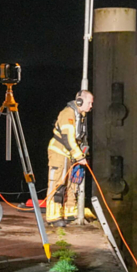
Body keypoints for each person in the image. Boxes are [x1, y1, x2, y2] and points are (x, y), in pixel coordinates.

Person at [46, 90, 93, 227]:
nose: (91, 106)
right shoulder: (68, 114)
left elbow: (80, 139)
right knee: (58, 183)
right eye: (89, 103)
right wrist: (79, 156)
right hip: (59, 153)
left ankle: (69, 212)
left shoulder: (80, 115)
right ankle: (53, 216)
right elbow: (68, 138)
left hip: (71, 155)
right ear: (80, 101)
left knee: (73, 183)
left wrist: (82, 155)